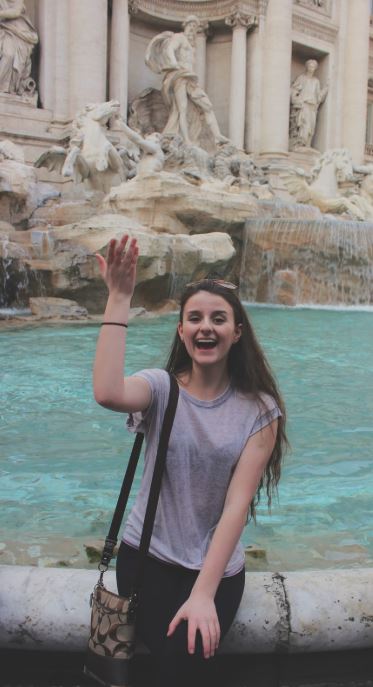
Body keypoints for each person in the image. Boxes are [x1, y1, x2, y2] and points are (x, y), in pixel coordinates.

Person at [93, 235, 287, 687]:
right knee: (173, 666)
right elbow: (107, 393)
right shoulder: (160, 388)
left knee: (189, 659)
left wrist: (204, 593)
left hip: (215, 569)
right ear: (181, 330)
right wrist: (119, 297)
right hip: (147, 558)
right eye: (194, 318)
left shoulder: (260, 410)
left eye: (219, 319)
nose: (206, 327)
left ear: (237, 332)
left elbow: (237, 507)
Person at [145, 15, 228, 147]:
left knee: (207, 105)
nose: (192, 29)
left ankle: (217, 136)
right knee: (181, 109)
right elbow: (169, 49)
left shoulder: (190, 44)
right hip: (179, 77)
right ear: (186, 25)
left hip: (190, 78)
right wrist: (174, 64)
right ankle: (187, 140)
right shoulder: (179, 37)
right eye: (191, 26)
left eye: (195, 27)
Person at [0, 0, 38, 96]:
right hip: (3, 30)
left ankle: (6, 86)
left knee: (8, 54)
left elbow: (16, 12)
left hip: (18, 32)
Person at [289, 59, 328, 149]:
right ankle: (299, 144)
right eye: (310, 66)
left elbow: (319, 96)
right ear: (307, 67)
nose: (311, 68)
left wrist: (326, 88)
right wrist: (296, 99)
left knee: (311, 127)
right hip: (304, 105)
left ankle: (307, 145)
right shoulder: (301, 78)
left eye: (313, 67)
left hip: (312, 107)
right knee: (304, 125)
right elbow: (294, 90)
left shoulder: (316, 81)